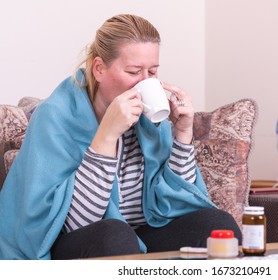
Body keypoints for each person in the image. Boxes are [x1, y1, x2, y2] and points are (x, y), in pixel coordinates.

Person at [0, 14, 241, 260]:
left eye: (153, 71)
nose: (145, 82)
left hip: (139, 238)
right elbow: (75, 224)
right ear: (99, 69)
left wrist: (182, 135)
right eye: (134, 71)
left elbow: (178, 206)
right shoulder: (54, 117)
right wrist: (106, 136)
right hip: (73, 243)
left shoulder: (151, 122)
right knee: (115, 235)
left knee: (218, 225)